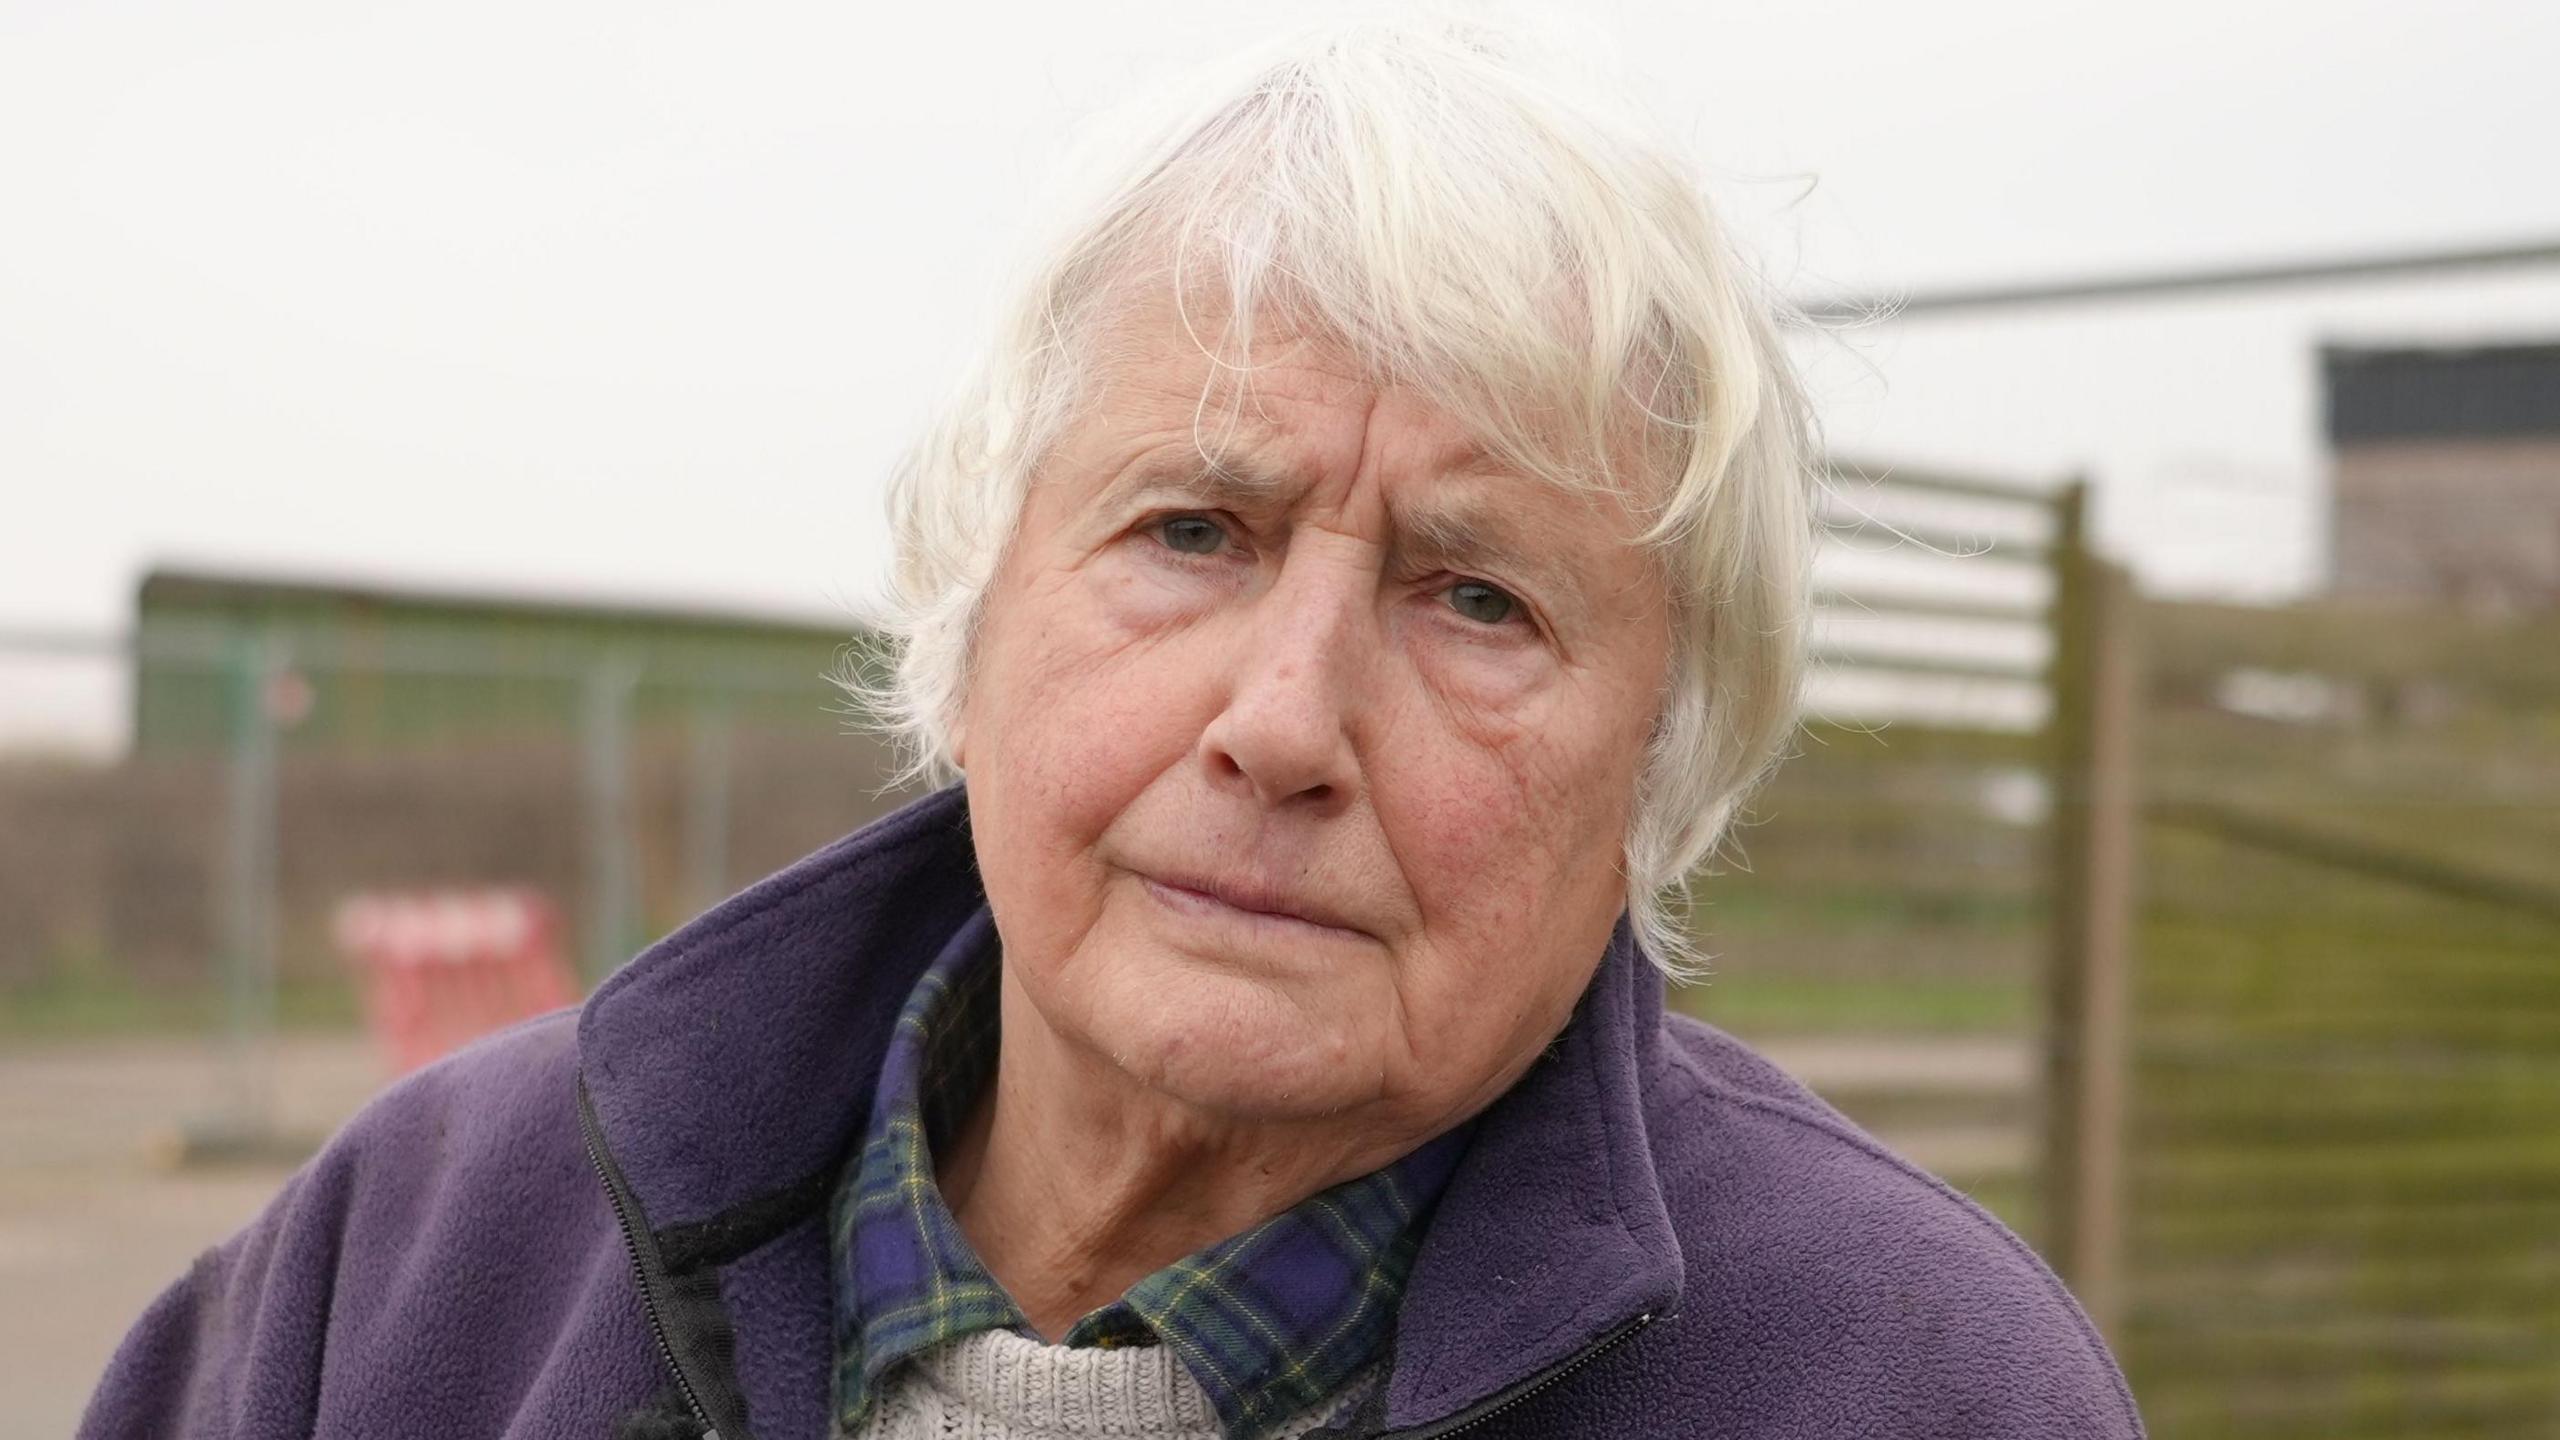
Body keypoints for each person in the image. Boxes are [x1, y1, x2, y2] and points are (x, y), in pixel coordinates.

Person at [80, 16, 2143, 1440]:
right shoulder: (434, 1249)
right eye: (1190, 530)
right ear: (974, 617)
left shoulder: (1912, 1386)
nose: (1281, 720)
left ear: (1659, 765)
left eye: (1477, 597)